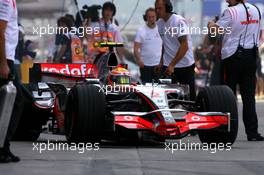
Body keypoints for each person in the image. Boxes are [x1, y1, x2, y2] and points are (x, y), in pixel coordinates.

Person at [208, 0, 264, 141]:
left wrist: (210, 25)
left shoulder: (230, 12)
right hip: (251, 56)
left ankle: (227, 132)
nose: (226, 1)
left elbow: (216, 31)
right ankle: (252, 133)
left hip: (233, 58)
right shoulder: (257, 10)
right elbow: (260, 33)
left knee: (228, 96)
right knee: (249, 97)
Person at [154, 0, 196, 100]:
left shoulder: (178, 21)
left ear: (168, 8)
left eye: (160, 8)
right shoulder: (159, 23)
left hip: (185, 65)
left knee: (189, 97)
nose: (157, 11)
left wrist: (172, 64)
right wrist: (161, 62)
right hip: (168, 66)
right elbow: (165, 43)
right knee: (167, 97)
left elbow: (184, 46)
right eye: (156, 8)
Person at [0, 0, 24, 163]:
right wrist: (3, 63)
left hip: (8, 58)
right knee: (17, 100)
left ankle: (4, 146)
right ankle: (2, 147)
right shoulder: (5, 1)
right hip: (5, 59)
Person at [134, 8, 162, 83]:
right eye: (149, 17)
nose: (151, 19)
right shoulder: (141, 31)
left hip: (158, 65)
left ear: (156, 17)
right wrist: (138, 60)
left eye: (153, 17)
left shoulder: (161, 29)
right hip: (145, 65)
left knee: (157, 87)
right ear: (146, 18)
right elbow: (136, 48)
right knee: (146, 87)